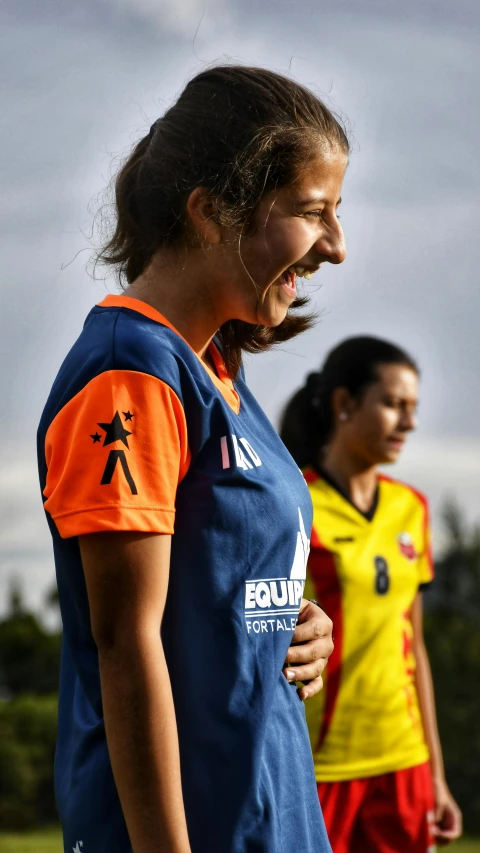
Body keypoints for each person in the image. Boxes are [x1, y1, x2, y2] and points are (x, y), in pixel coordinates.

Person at [37, 66, 349, 853]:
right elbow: (126, 645)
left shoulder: (217, 370)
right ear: (211, 212)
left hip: (273, 814)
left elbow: (215, 598)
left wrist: (290, 625)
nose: (337, 248)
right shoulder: (130, 374)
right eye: (314, 212)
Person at [280, 336, 463, 853]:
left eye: (414, 408)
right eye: (393, 404)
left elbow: (415, 648)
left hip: (405, 764)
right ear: (344, 404)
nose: (410, 422)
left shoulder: (413, 510)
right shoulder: (297, 503)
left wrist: (436, 775)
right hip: (319, 765)